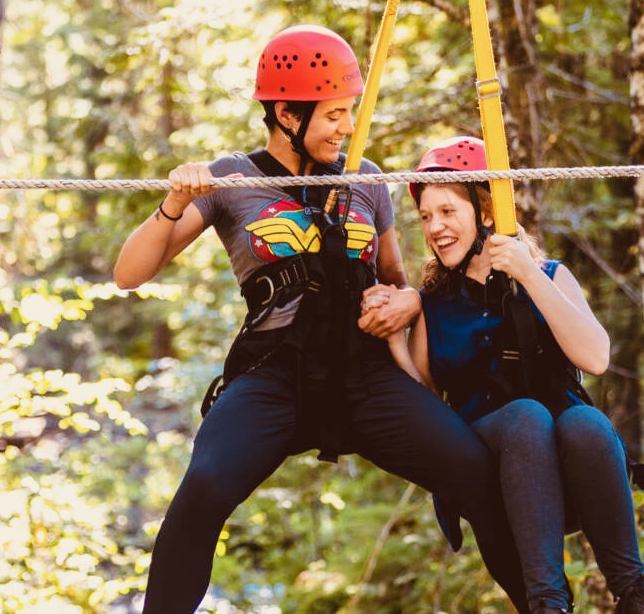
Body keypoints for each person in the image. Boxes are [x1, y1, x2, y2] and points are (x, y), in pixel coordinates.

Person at [113, 28, 529, 613]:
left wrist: (409, 303)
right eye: (334, 114)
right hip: (274, 376)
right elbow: (130, 273)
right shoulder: (232, 180)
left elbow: (398, 280)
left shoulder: (367, 178)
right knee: (203, 489)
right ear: (286, 113)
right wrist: (175, 202)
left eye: (349, 111)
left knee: (475, 473)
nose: (347, 127)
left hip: (365, 375)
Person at [366, 135, 644, 613]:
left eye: (448, 212)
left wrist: (530, 276)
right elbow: (427, 402)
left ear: (486, 212)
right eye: (427, 216)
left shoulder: (549, 276)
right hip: (493, 460)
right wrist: (395, 339)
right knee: (526, 418)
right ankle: (548, 604)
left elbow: (595, 358)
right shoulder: (433, 305)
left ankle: (635, 596)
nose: (435, 227)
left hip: (570, 467)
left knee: (586, 421)